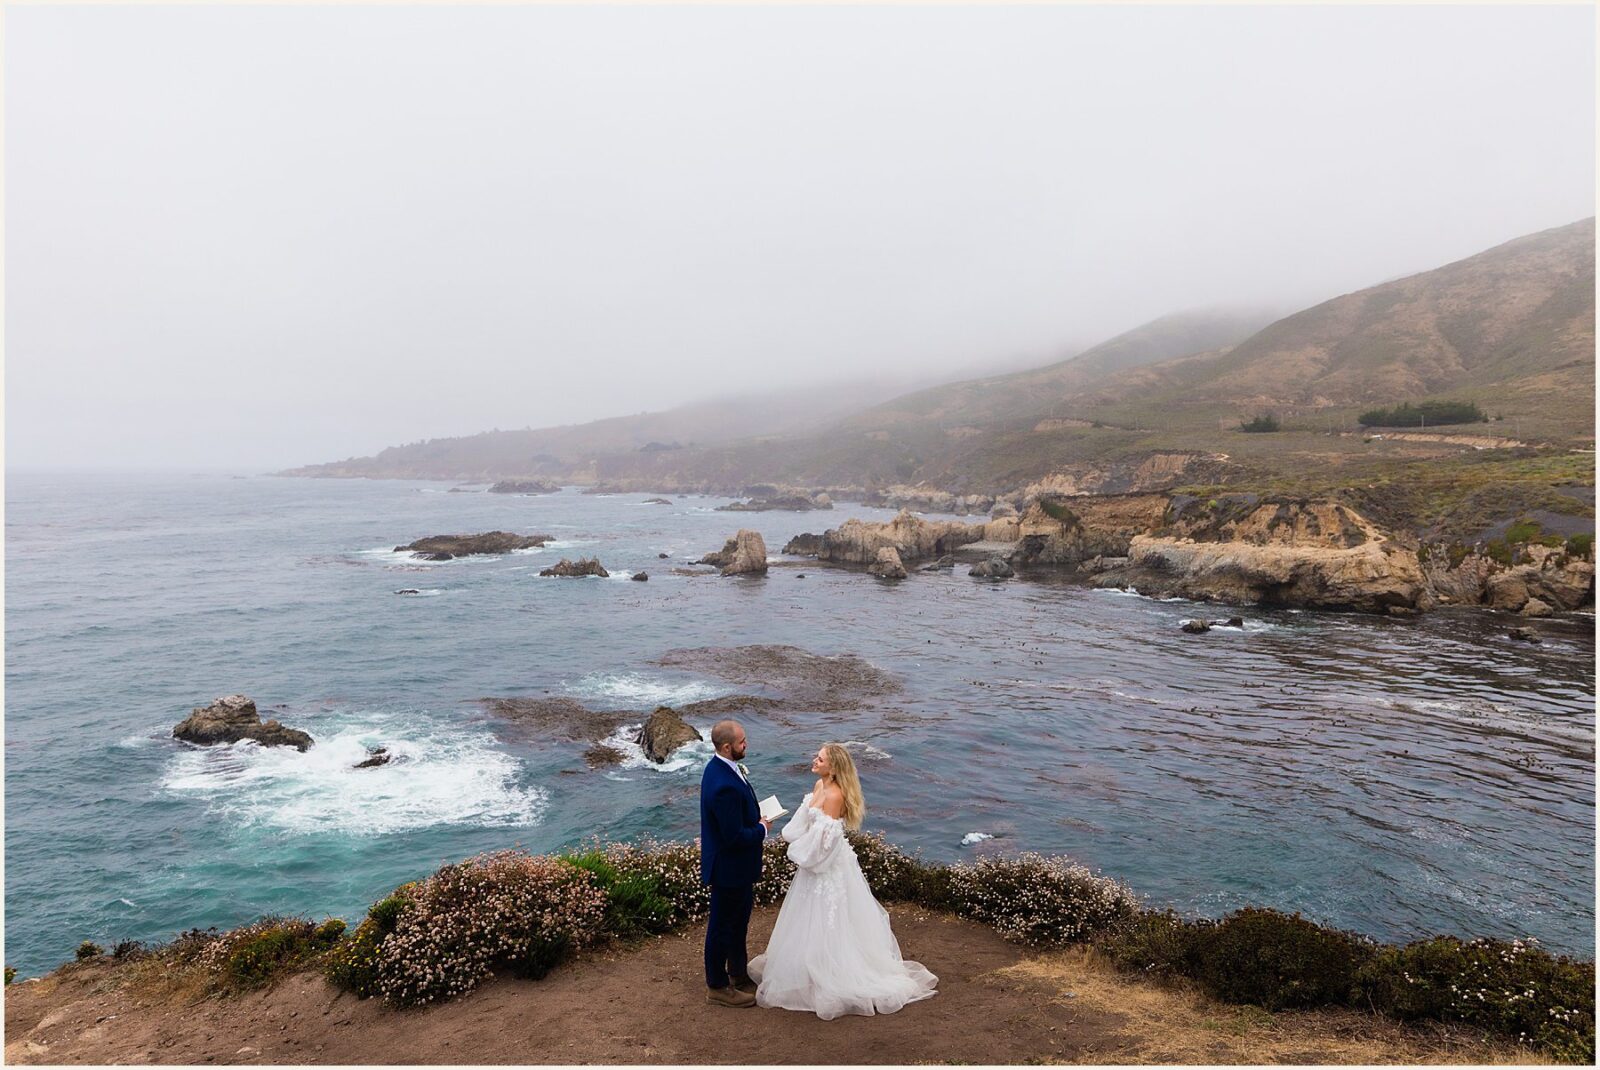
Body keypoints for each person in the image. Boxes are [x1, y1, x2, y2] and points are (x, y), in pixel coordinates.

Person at [748, 742, 938, 1019]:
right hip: (813, 866)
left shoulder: (835, 796)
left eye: (820, 758)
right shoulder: (817, 786)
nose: (814, 760)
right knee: (807, 918)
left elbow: (824, 846)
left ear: (834, 768)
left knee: (829, 919)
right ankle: (808, 970)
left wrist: (797, 853)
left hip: (827, 869)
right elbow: (801, 828)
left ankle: (830, 973)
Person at [700, 719, 770, 1008]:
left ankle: (738, 974)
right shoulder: (723, 785)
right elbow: (733, 837)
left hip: (737, 868)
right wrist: (763, 829)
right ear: (727, 747)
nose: (746, 745)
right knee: (721, 927)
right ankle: (717, 986)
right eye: (742, 742)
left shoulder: (721, 768)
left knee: (738, 922)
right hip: (729, 869)